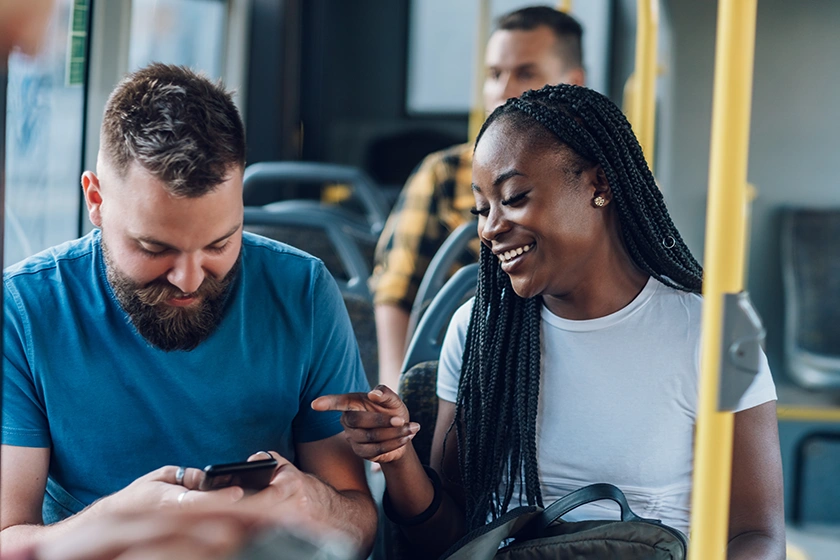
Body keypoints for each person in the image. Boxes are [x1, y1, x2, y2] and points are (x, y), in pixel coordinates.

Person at [314, 84, 786, 559]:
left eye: (514, 197)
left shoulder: (717, 333)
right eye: (482, 208)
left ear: (599, 186)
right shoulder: (478, 331)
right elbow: (450, 539)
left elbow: (758, 534)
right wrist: (397, 459)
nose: (489, 227)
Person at [1, 64, 376, 555]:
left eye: (220, 244)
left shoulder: (303, 292)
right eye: (155, 248)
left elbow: (361, 523)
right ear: (95, 200)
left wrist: (317, 504)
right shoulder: (25, 311)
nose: (190, 278)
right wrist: (117, 518)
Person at [372, 6, 587, 389]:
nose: (503, 90)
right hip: (469, 367)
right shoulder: (444, 173)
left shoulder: (599, 177)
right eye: (494, 74)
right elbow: (397, 290)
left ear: (572, 83)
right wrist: (397, 387)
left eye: (525, 73)